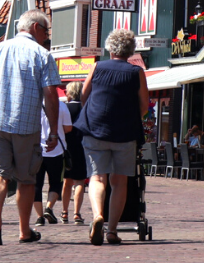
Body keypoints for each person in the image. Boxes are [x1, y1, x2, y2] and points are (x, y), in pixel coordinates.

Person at [0, 9, 61, 246]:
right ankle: (24, 230)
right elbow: (51, 94)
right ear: (35, 28)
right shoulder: (42, 54)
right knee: (26, 179)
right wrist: (53, 130)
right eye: (46, 31)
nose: (47, 36)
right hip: (26, 124)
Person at [74, 29, 149, 246]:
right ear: (131, 50)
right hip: (125, 134)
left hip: (95, 130)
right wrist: (130, 117)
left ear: (110, 48)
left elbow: (84, 95)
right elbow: (144, 105)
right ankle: (112, 230)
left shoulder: (97, 67)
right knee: (120, 182)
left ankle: (98, 215)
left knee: (97, 178)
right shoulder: (136, 72)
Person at [33, 92, 72, 225]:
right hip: (56, 150)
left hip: (37, 150)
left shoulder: (34, 106)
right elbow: (68, 128)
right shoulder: (61, 106)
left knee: (36, 184)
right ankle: (49, 207)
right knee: (56, 182)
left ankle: (39, 217)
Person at [60, 81, 88, 225]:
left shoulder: (64, 108)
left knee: (66, 181)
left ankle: (64, 212)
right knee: (79, 182)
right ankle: (77, 213)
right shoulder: (85, 108)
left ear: (69, 93)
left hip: (65, 147)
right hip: (81, 148)